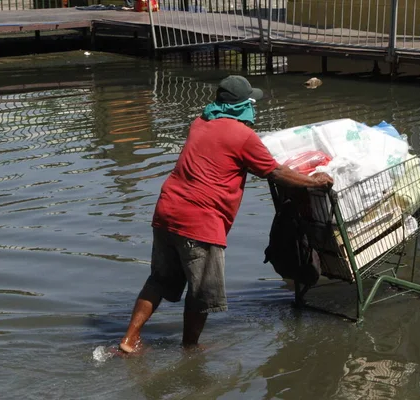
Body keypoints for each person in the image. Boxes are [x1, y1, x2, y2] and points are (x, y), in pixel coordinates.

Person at [119, 75, 333, 353]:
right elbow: (277, 172)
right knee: (201, 293)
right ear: (243, 105)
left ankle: (129, 339)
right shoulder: (243, 136)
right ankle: (191, 349)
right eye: (252, 103)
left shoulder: (200, 123)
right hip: (200, 222)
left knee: (159, 280)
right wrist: (315, 181)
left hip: (166, 212)